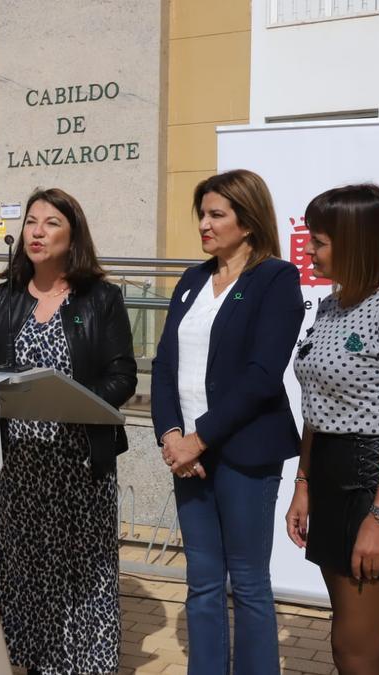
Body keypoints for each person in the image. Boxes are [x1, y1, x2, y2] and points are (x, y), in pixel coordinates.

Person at [150, 169, 304, 674]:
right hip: (188, 454)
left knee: (250, 582)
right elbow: (165, 365)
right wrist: (172, 436)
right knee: (203, 581)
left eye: (217, 214)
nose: (204, 224)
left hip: (243, 452)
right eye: (202, 213)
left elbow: (262, 375)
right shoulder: (193, 280)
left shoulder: (276, 278)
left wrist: (201, 439)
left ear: (248, 220)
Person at [0, 188, 137, 675]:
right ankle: (30, 658)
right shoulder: (5, 298)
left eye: (50, 223)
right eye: (30, 223)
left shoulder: (101, 298)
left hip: (78, 462)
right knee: (22, 569)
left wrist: (76, 402)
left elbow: (123, 375)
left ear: (73, 236)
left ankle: (82, 663)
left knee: (79, 573)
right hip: (19, 464)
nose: (37, 232)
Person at [285, 184, 379, 675]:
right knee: (360, 643)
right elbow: (317, 408)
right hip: (329, 477)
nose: (309, 250)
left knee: (355, 647)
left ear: (357, 242)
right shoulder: (330, 309)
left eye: (321, 241)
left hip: (376, 482)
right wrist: (303, 484)